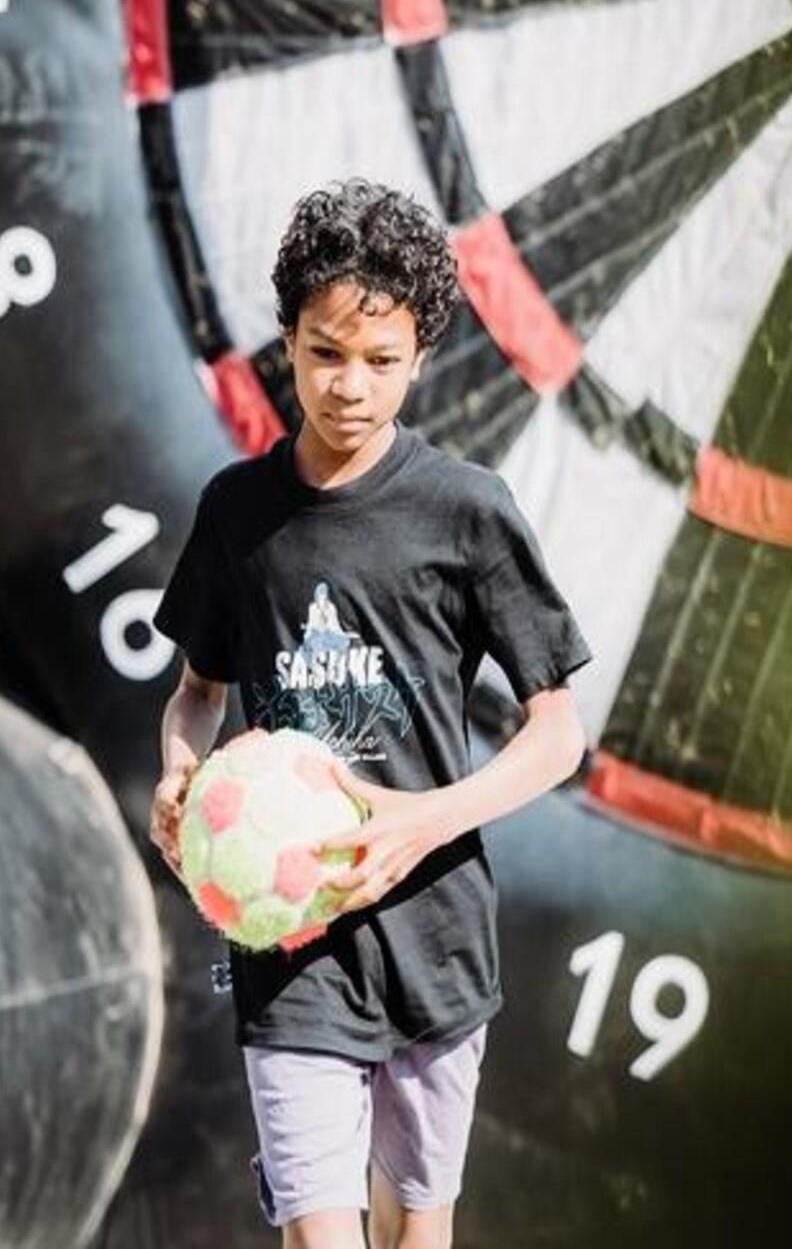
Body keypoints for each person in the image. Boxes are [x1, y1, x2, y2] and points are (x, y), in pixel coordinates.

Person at [147, 179, 591, 1249]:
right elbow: (199, 691)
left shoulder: (466, 511)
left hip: (435, 939)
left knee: (415, 1234)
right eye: (325, 353)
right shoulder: (238, 513)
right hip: (290, 947)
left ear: (421, 356)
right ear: (288, 343)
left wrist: (421, 819)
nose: (349, 385)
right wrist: (180, 775)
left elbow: (558, 731)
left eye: (380, 360)